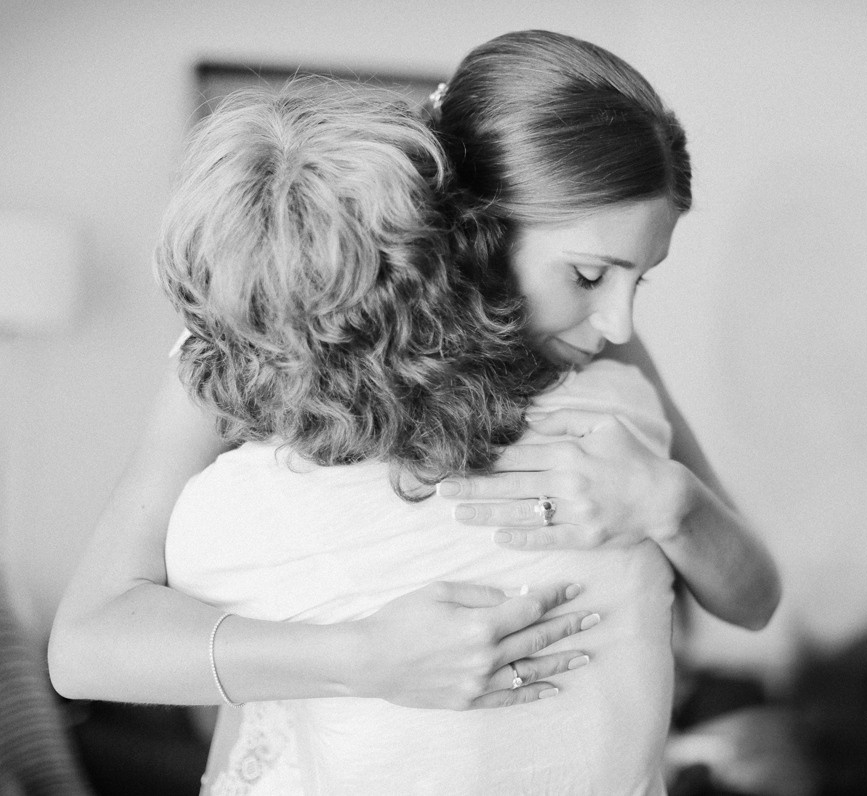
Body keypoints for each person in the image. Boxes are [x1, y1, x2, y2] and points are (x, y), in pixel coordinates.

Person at [49, 30, 780, 794]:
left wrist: (672, 503)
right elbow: (85, 643)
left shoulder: (603, 350)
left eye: (643, 279)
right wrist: (364, 658)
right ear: (479, 228)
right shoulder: (266, 344)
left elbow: (755, 600)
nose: (621, 321)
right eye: (590, 273)